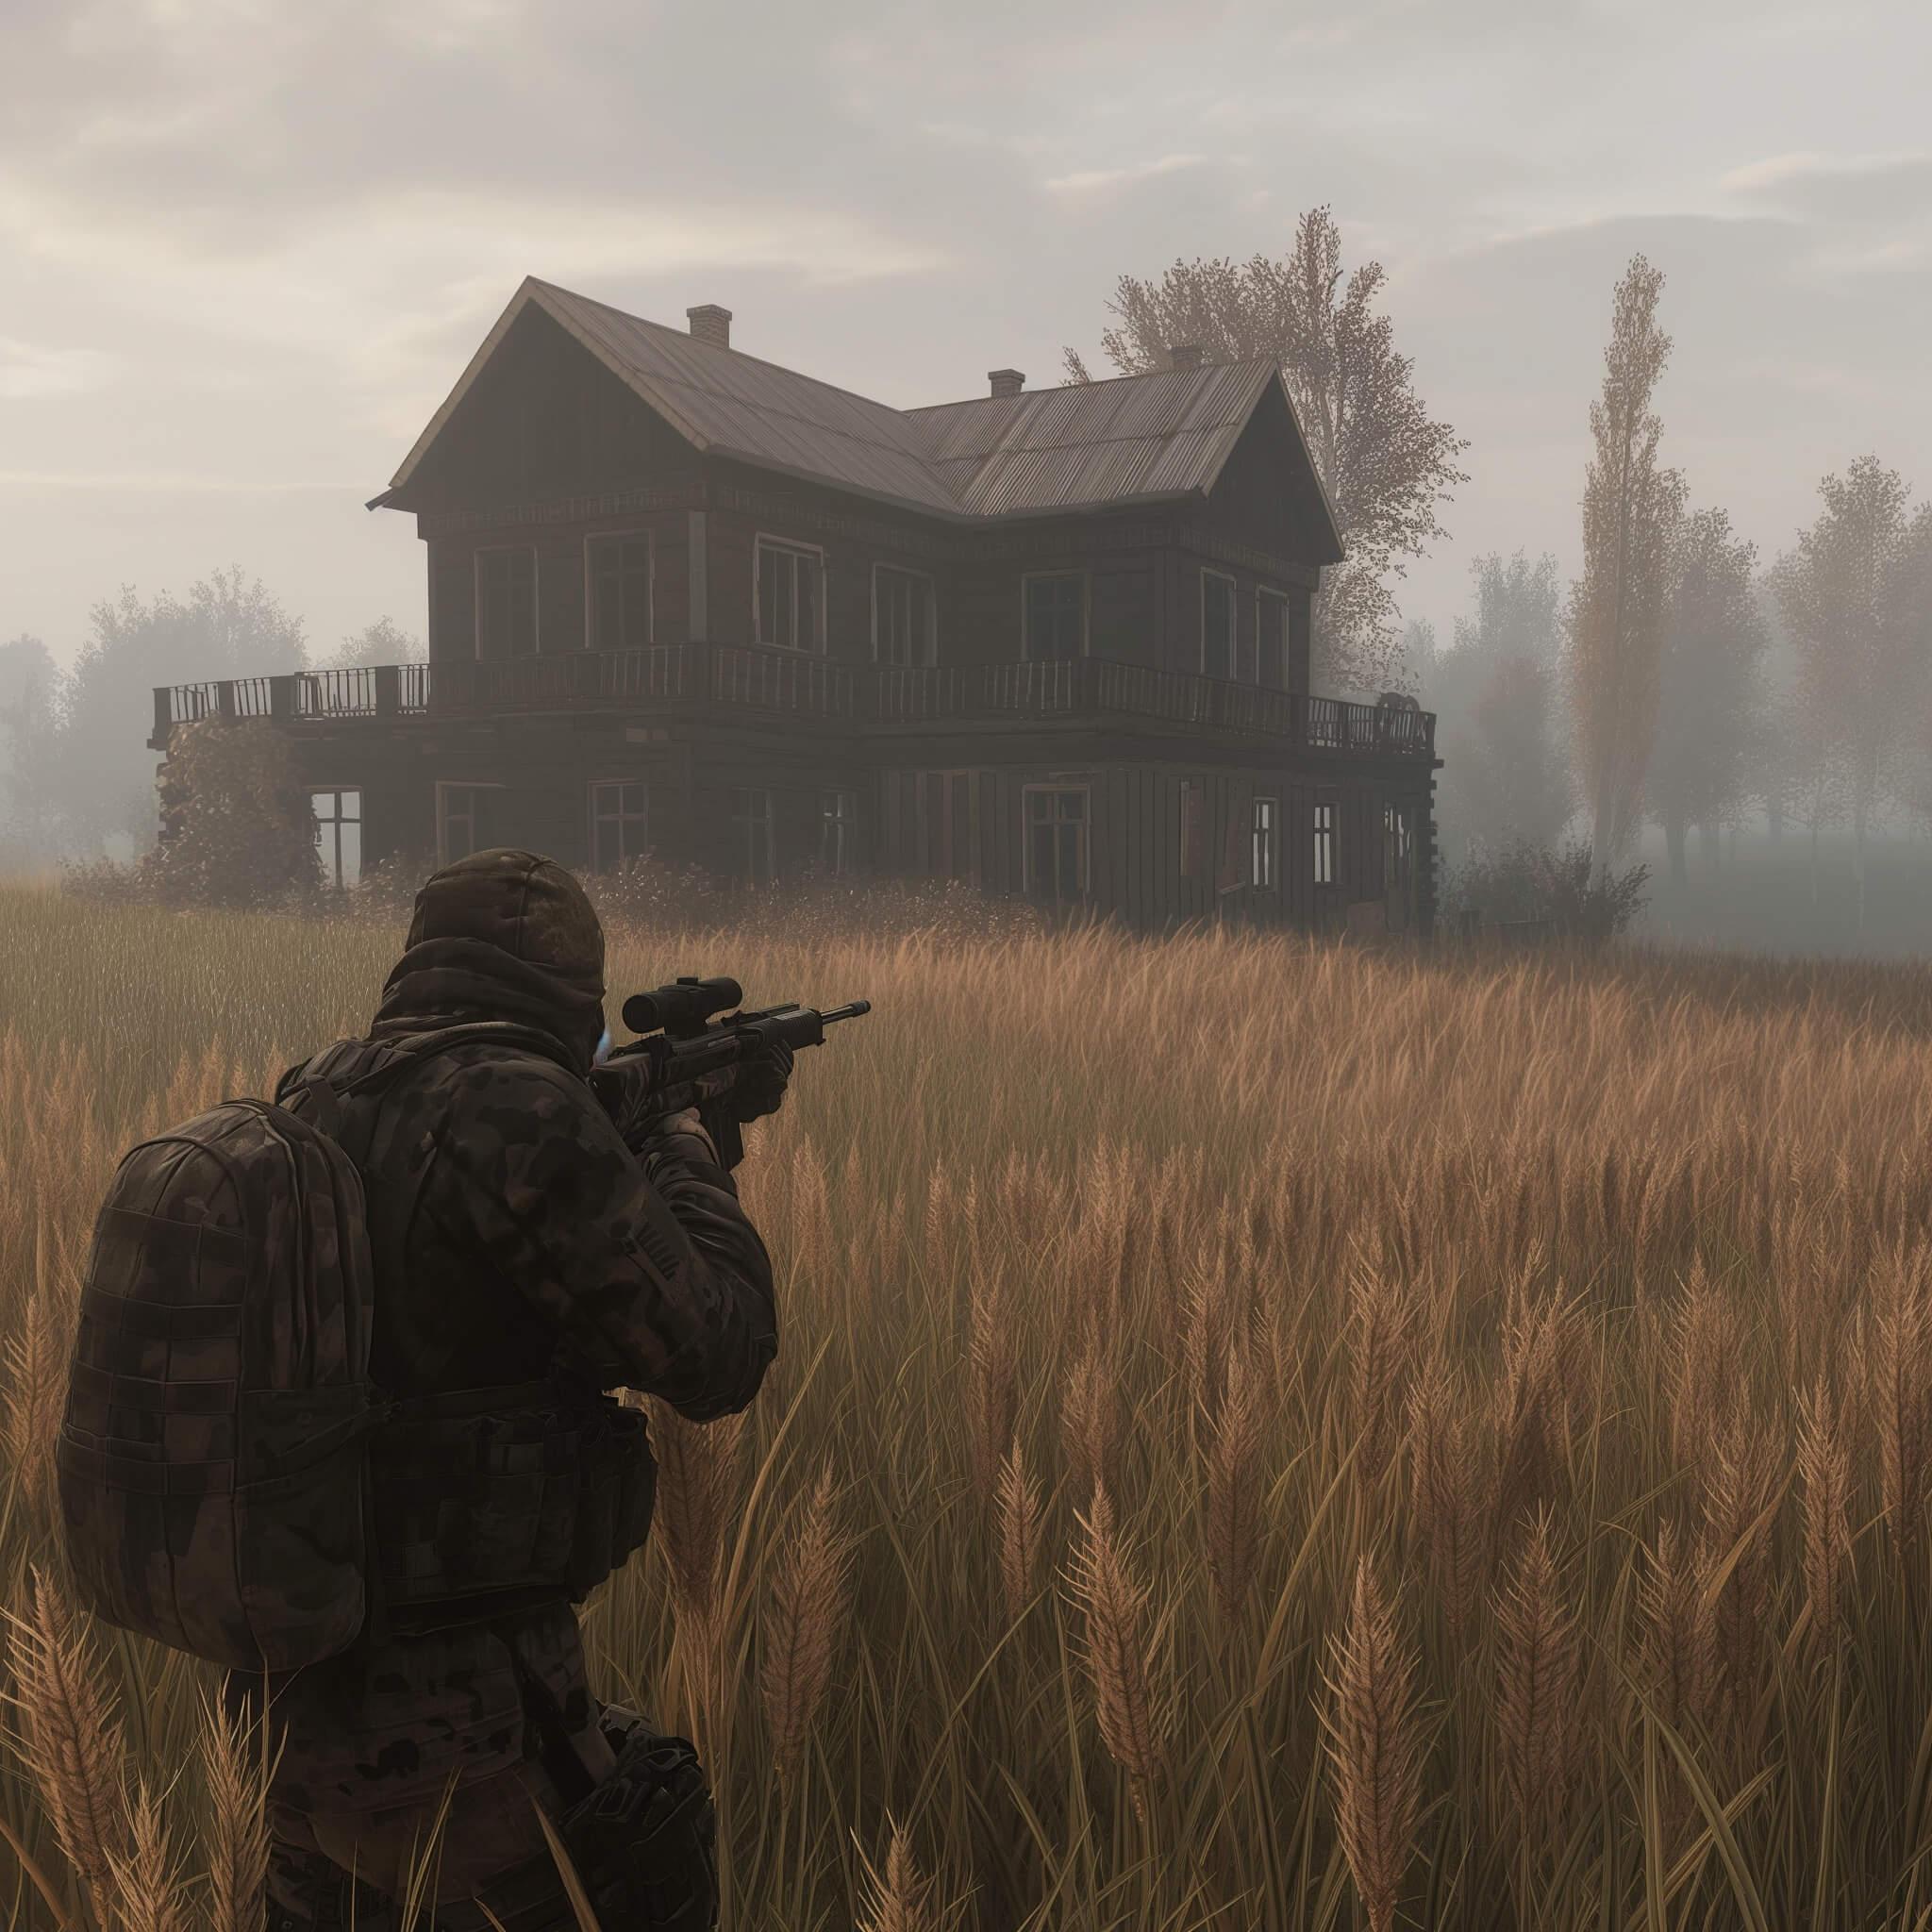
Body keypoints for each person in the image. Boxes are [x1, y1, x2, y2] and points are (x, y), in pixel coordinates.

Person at [240, 847, 785, 1932]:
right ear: (568, 986)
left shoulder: (318, 1087)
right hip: (464, 1728)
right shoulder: (519, 1107)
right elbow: (716, 1351)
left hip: (290, 1711)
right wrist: (681, 1138)